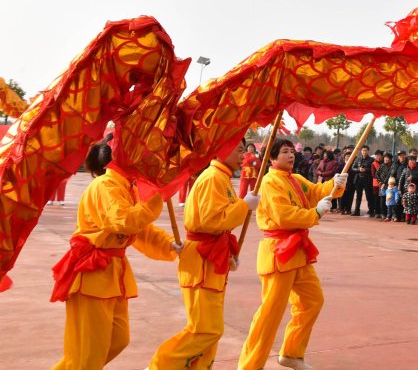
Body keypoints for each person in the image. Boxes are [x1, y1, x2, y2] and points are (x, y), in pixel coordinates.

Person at [51, 140, 179, 370]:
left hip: (112, 272)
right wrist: (157, 196)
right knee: (89, 351)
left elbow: (140, 230)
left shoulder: (127, 187)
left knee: (116, 339)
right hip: (92, 272)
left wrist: (169, 244)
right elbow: (123, 221)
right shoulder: (104, 185)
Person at [149, 138, 261, 369]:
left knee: (210, 330)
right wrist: (243, 206)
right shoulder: (213, 178)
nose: (243, 155)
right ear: (222, 149)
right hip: (201, 260)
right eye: (239, 150)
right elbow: (212, 220)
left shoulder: (222, 178)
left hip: (212, 259)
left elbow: (218, 223)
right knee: (205, 330)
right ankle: (161, 365)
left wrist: (230, 252)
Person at [238, 139, 347, 370]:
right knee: (270, 313)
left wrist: (335, 183)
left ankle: (292, 353)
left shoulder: (295, 179)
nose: (290, 155)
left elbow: (317, 191)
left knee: (312, 300)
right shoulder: (269, 182)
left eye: (291, 151)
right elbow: (283, 216)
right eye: (284, 152)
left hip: (298, 251)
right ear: (272, 158)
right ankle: (249, 365)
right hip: (279, 252)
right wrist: (314, 213)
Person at [352, 145, 376, 217]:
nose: (364, 152)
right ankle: (356, 211)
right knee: (358, 196)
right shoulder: (357, 159)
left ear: (368, 151)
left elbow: (373, 170)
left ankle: (371, 211)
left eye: (366, 150)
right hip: (358, 179)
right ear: (361, 151)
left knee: (369, 196)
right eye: (363, 150)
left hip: (367, 179)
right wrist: (359, 169)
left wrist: (366, 170)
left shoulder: (371, 160)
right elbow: (353, 167)